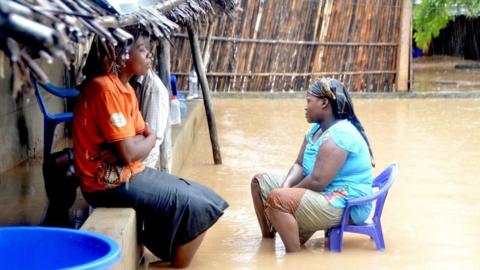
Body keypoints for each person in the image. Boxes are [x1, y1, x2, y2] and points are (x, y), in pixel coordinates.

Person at [73, 32, 228, 268]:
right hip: (106, 184)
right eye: (143, 50)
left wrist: (142, 140)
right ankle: (174, 266)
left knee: (206, 196)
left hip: (130, 171)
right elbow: (130, 149)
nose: (149, 56)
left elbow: (141, 143)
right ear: (122, 55)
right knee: (197, 205)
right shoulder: (105, 89)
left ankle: (166, 255)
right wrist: (142, 140)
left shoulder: (125, 90)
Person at [250, 78, 374, 252]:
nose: (306, 106)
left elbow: (318, 181)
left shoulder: (340, 135)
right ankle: (269, 240)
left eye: (309, 101)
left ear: (324, 103)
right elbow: (299, 165)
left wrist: (286, 195)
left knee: (277, 199)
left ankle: (294, 257)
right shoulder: (315, 130)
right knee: (259, 182)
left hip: (345, 202)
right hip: (322, 193)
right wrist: (286, 186)